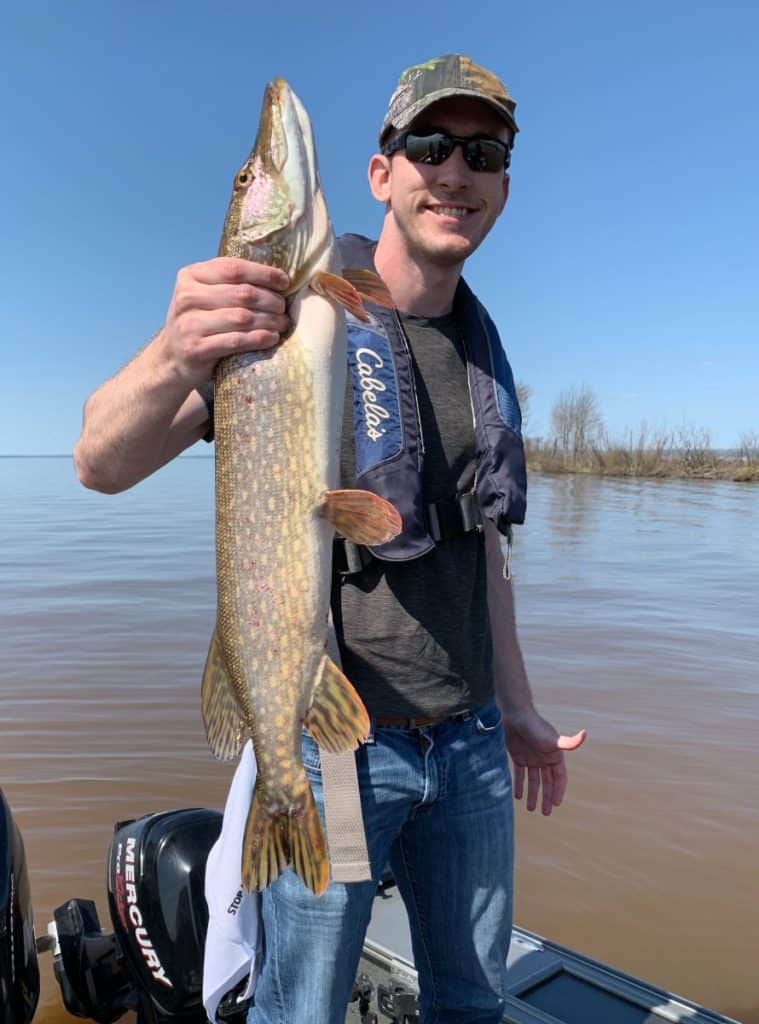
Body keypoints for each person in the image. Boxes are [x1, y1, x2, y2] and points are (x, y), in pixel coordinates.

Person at [75, 53, 586, 1024]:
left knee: (475, 1003)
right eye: (429, 145)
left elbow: (486, 554)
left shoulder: (486, 352)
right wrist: (177, 349)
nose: (457, 170)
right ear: (382, 172)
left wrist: (518, 709)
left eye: (484, 151)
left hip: (471, 745)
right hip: (337, 752)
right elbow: (98, 458)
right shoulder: (279, 312)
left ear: (504, 183)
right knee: (299, 1008)